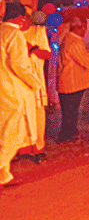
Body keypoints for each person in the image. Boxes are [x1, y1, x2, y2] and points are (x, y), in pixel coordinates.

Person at [0, 2, 41, 187]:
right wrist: (36, 83)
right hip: (10, 90)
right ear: (18, 18)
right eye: (25, 17)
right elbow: (19, 65)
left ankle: (5, 175)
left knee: (4, 132)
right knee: (14, 134)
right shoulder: (14, 34)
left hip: (3, 89)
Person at [57, 15, 89, 142]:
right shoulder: (73, 41)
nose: (85, 31)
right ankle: (66, 136)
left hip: (73, 83)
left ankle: (70, 133)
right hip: (71, 83)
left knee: (72, 111)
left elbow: (84, 54)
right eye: (83, 28)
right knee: (70, 111)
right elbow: (83, 61)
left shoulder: (74, 40)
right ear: (75, 28)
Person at [23, 10, 51, 161]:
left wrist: (31, 48)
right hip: (18, 80)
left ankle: (38, 149)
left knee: (38, 114)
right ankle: (24, 149)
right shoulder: (12, 32)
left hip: (34, 80)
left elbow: (47, 54)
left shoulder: (38, 31)